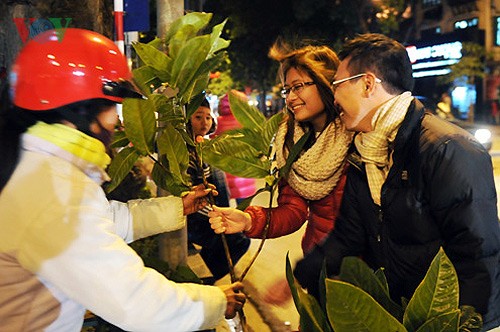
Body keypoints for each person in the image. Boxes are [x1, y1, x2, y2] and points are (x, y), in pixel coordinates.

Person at [0, 28, 245, 331]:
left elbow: (101, 220)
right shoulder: (53, 189)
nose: (116, 120)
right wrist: (216, 302)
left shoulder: (33, 164)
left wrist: (178, 207)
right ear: (80, 110)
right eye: (111, 106)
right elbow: (135, 303)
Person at [292, 33, 500, 331]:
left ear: (367, 83)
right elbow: (349, 235)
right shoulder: (364, 153)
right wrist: (301, 276)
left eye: (337, 85)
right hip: (404, 313)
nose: (334, 97)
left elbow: (477, 257)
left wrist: (463, 325)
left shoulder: (446, 148)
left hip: (448, 320)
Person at [209, 41, 353, 304]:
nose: (290, 98)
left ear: (325, 81)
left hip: (360, 273)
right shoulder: (291, 141)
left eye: (298, 87)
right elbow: (294, 211)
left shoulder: (357, 136)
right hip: (318, 268)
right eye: (287, 89)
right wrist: (248, 220)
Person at [187, 98, 250, 283]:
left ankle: (202, 280)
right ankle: (201, 283)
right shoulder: (186, 152)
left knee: (236, 239)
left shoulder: (206, 146)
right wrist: (217, 215)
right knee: (237, 241)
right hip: (194, 218)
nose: (204, 122)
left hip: (209, 212)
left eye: (208, 117)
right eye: (198, 117)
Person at [213, 92, 257, 205]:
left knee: (224, 209)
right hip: (244, 171)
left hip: (225, 173)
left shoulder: (217, 123)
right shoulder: (246, 123)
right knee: (244, 210)